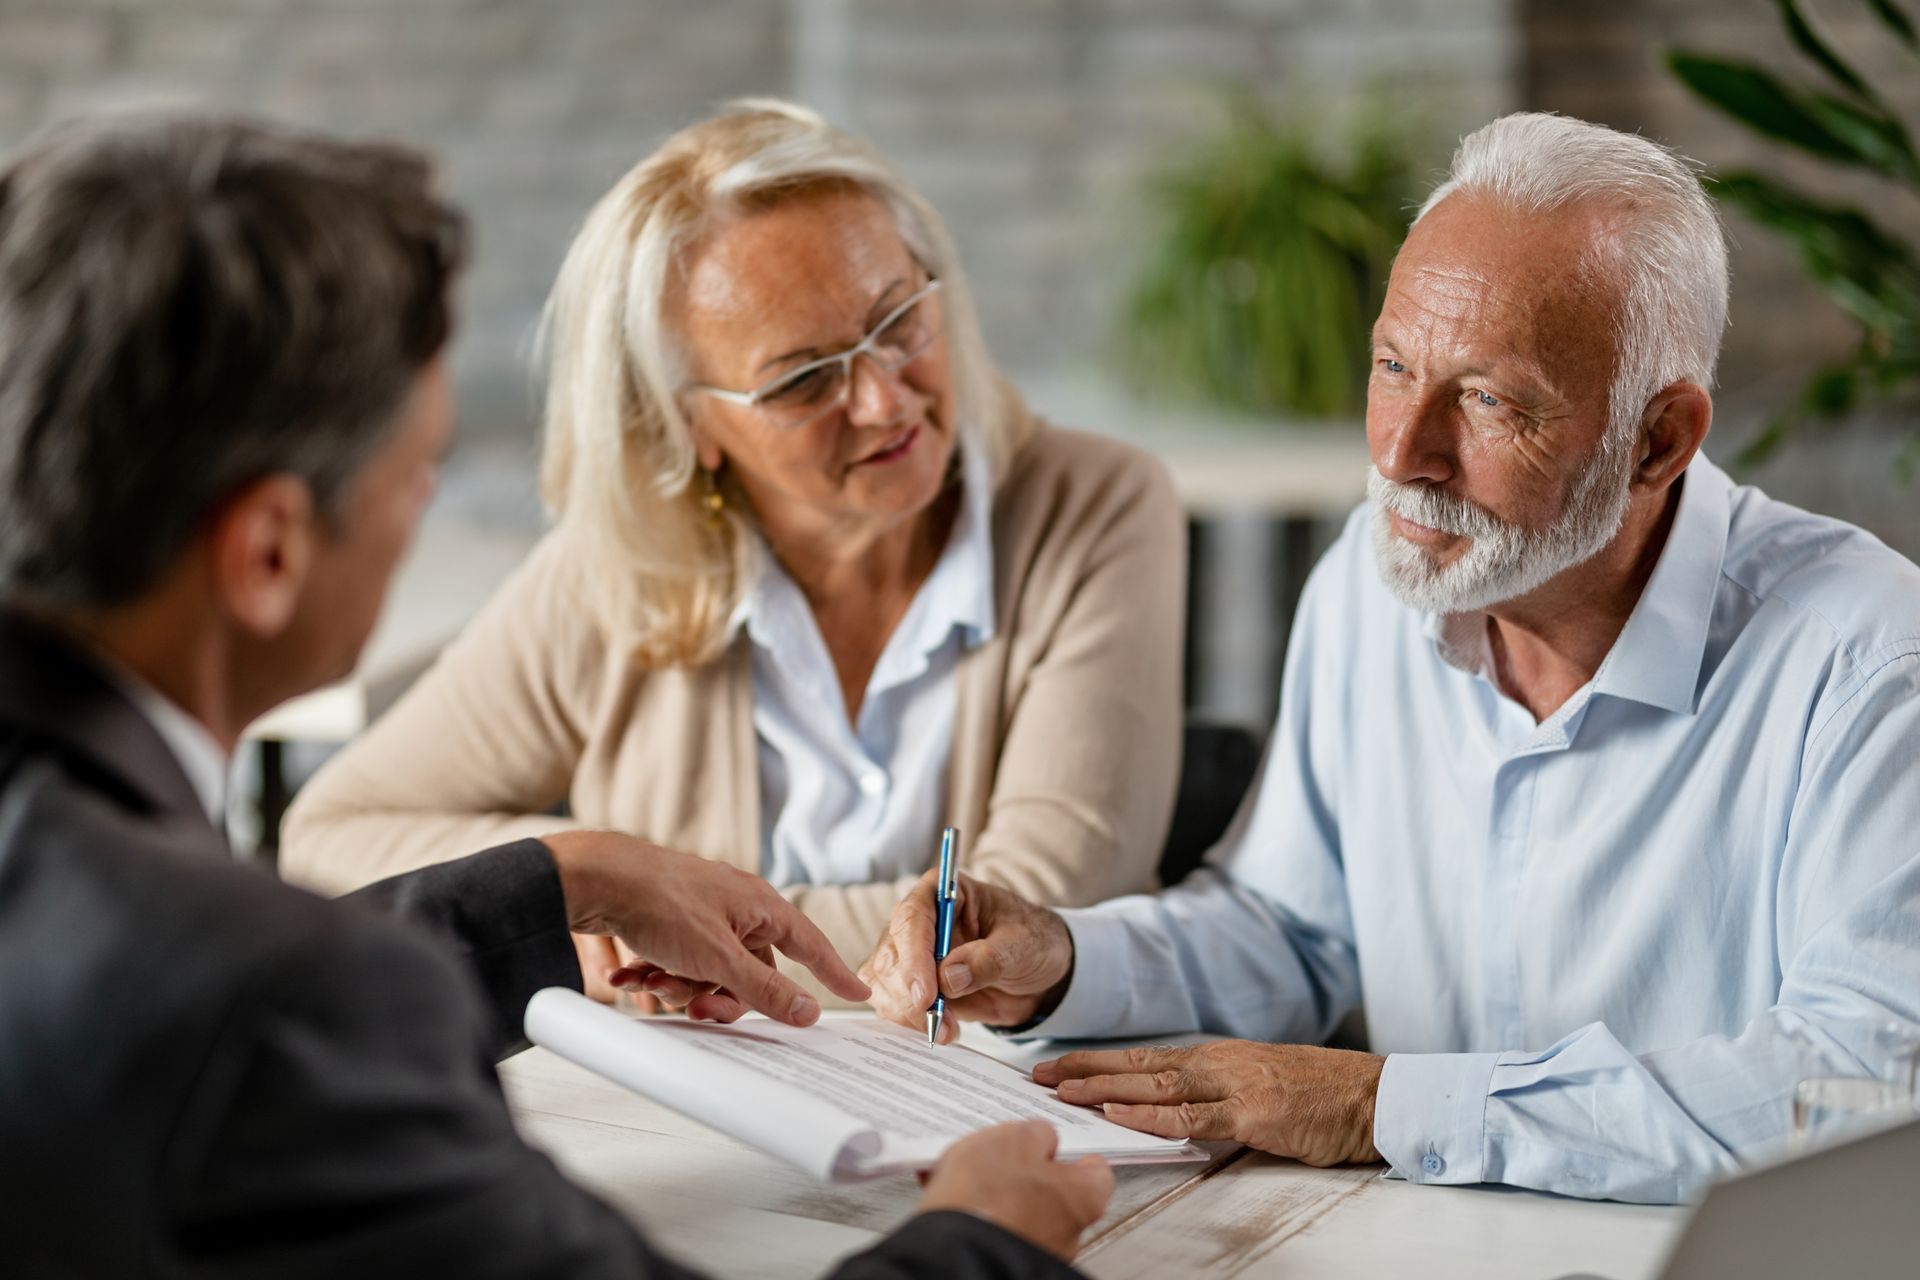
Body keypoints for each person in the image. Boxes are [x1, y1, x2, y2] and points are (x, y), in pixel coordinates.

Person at [0, 114, 1114, 1277]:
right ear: (270, 551)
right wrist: (988, 1245)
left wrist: (562, 883)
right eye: (419, 470)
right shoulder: (283, 1006)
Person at [861, 111, 1920, 1205]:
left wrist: (1382, 1106)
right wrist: (1065, 959)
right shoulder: (1372, 587)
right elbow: (1292, 930)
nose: (1402, 453)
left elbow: (1865, 1084)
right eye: (1393, 364)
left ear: (1658, 440)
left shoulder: (1873, 665)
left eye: (1488, 400)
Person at [279, 99, 1185, 1006]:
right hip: (693, 1118)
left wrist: (678, 925)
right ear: (686, 424)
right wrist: (586, 881)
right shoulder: (617, 572)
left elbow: (1036, 921)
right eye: (802, 378)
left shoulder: (1098, 506)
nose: (884, 400)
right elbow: (330, 835)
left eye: (899, 319)